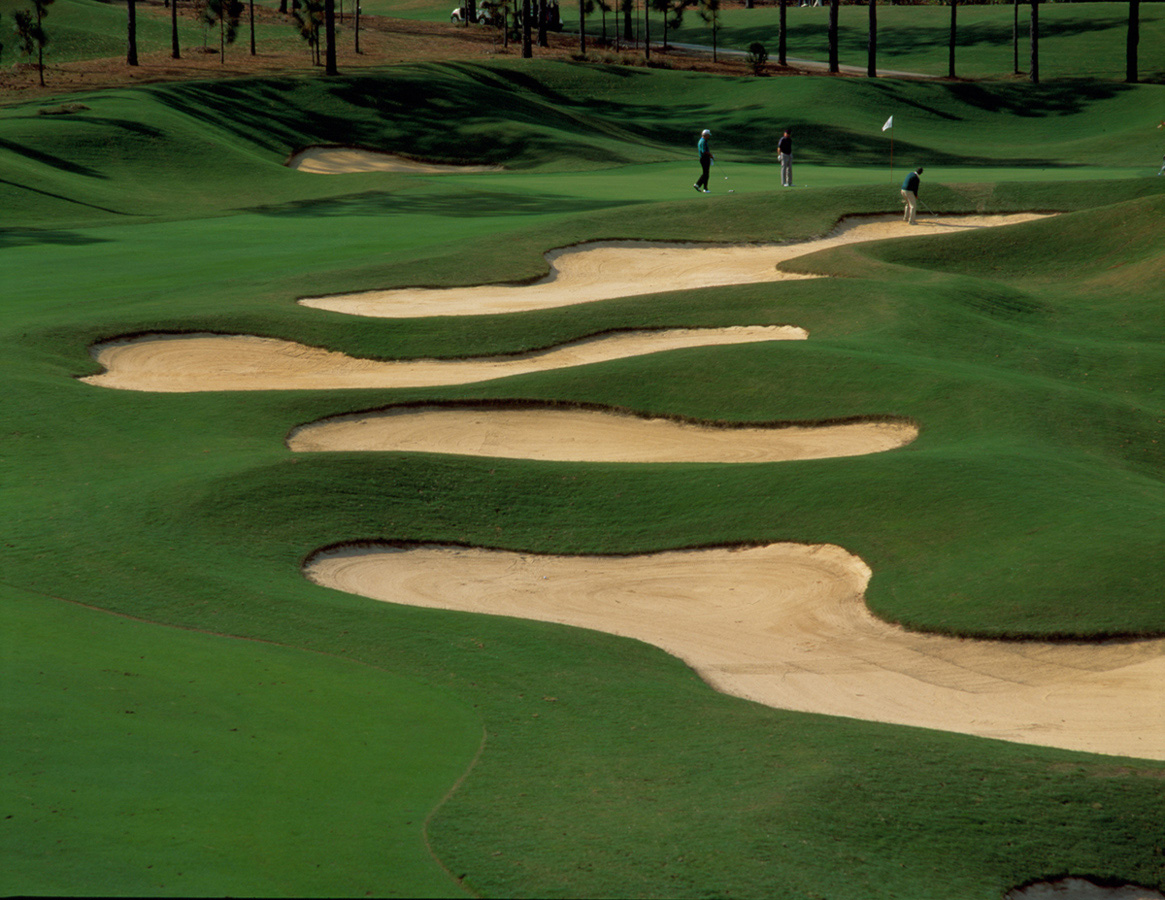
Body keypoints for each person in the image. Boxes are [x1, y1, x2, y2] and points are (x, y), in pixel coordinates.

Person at [694, 129, 713, 193]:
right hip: (704, 159)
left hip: (704, 158)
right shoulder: (703, 141)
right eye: (708, 135)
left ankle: (699, 185)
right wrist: (710, 155)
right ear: (706, 135)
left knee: (706, 173)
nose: (709, 136)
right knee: (706, 174)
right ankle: (704, 188)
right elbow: (704, 151)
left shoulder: (702, 140)